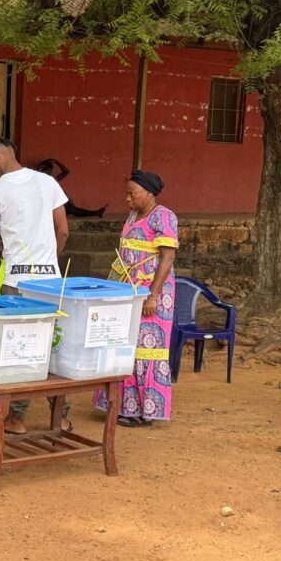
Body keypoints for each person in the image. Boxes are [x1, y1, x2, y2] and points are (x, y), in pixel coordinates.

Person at [0, 137, 71, 434]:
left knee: (19, 350)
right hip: (51, 282)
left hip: (16, 283)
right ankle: (60, 415)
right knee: (52, 346)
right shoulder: (47, 183)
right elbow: (62, 231)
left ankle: (17, 417)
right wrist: (48, 263)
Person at [96, 171, 178, 427]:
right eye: (127, 193)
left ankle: (145, 411)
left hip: (152, 294)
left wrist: (152, 295)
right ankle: (124, 407)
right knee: (126, 346)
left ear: (149, 194)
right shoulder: (133, 216)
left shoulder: (163, 217)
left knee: (146, 350)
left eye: (133, 193)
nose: (128, 198)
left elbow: (167, 258)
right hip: (128, 290)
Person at [35, 158, 106, 217]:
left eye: (49, 171)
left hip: (56, 205)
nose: (49, 172)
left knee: (73, 210)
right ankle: (96, 213)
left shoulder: (52, 179)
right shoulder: (37, 180)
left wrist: (57, 162)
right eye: (45, 170)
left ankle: (96, 213)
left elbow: (66, 172)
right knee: (73, 210)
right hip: (47, 207)